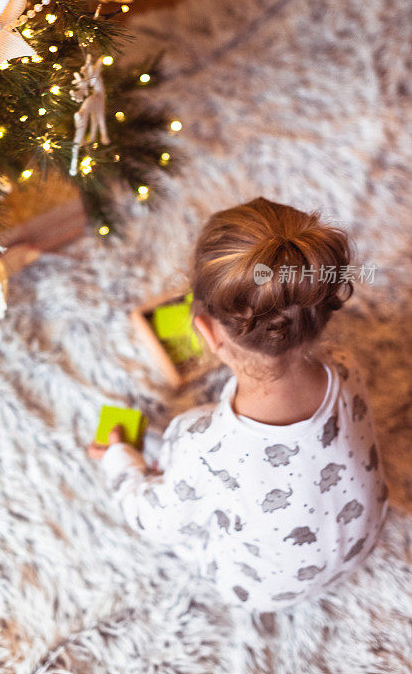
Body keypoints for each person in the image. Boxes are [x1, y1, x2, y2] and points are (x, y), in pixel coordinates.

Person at [88, 197, 388, 612]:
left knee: (179, 500)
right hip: (359, 544)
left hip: (263, 590)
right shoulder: (345, 367)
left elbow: (155, 522)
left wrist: (120, 461)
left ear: (207, 333)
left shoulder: (201, 441)